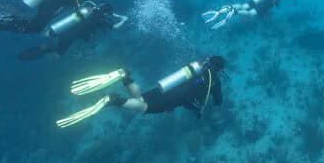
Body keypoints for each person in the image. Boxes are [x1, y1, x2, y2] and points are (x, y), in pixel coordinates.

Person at [56, 56, 226, 128]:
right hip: (176, 97)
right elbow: (218, 101)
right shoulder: (215, 81)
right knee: (144, 108)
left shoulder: (196, 67)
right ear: (218, 69)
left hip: (165, 87)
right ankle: (113, 100)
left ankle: (126, 78)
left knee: (140, 98)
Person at [18, 2, 127, 61]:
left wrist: (115, 14)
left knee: (53, 41)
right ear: (106, 13)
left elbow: (105, 11)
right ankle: (45, 49)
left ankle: (43, 46)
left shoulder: (90, 9)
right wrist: (123, 19)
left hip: (64, 29)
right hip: (69, 38)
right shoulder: (101, 20)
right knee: (58, 55)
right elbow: (115, 27)